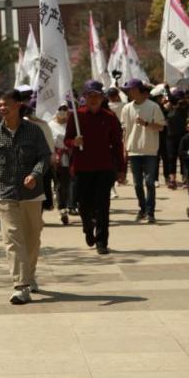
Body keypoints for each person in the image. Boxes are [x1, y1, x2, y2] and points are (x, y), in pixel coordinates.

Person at [0, 89, 50, 305]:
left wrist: (35, 174)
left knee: (32, 239)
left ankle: (29, 275)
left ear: (18, 105)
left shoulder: (34, 131)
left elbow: (44, 157)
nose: (2, 108)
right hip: (5, 193)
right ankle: (21, 285)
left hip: (32, 194)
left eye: (6, 104)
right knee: (12, 239)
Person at [64, 81, 127, 254]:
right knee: (84, 205)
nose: (93, 99)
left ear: (102, 98)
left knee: (102, 205)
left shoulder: (110, 117)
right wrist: (74, 142)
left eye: (97, 96)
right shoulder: (77, 116)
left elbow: (117, 144)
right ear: (84, 97)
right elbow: (66, 140)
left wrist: (121, 169)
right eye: (90, 95)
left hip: (104, 168)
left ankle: (102, 241)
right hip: (82, 168)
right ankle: (87, 228)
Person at [120, 79, 165, 223]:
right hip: (133, 150)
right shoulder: (126, 108)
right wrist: (124, 149)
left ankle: (150, 212)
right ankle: (142, 209)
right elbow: (125, 130)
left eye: (132, 89)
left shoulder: (153, 106)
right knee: (137, 183)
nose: (129, 93)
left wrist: (146, 123)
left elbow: (161, 127)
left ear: (139, 90)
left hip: (150, 149)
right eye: (128, 90)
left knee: (150, 182)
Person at [46, 103, 77, 226]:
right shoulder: (50, 126)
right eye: (60, 110)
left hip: (71, 157)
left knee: (68, 183)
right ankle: (62, 208)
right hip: (57, 158)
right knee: (60, 184)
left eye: (65, 110)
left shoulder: (72, 125)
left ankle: (68, 204)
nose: (63, 112)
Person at [163, 89, 189, 190]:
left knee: (184, 158)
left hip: (183, 136)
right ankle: (172, 180)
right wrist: (166, 106)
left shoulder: (184, 106)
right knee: (171, 158)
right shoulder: (169, 108)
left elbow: (176, 101)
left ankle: (185, 179)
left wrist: (167, 89)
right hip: (170, 137)